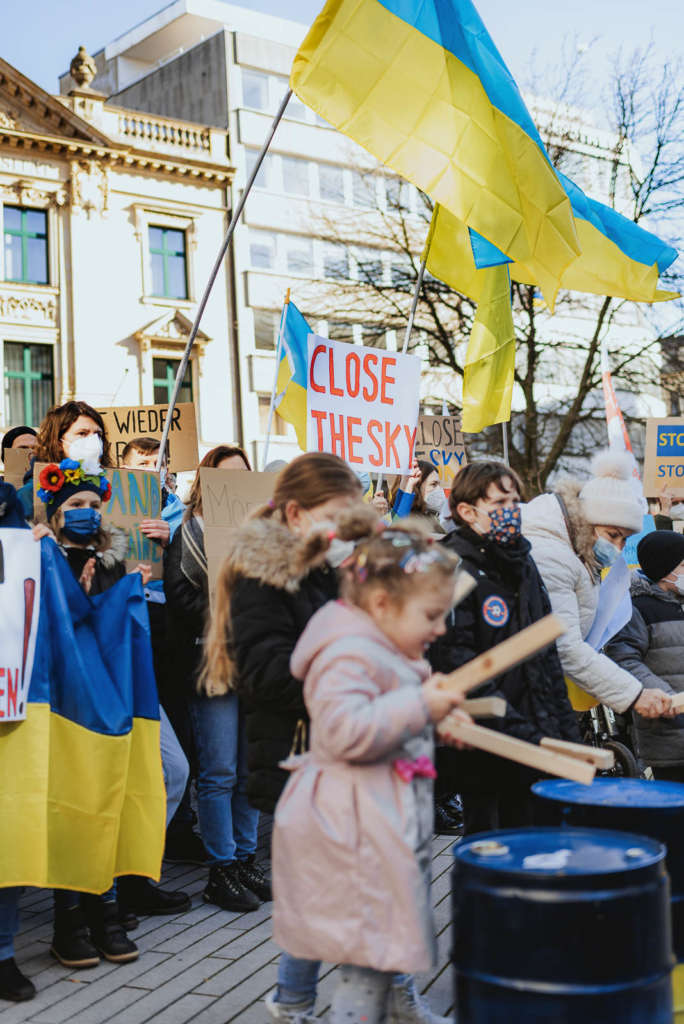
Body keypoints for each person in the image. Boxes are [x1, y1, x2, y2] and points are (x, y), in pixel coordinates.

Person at [271, 521, 469, 1024]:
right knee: (364, 970)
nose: (441, 629)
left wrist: (436, 722)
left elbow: (391, 727)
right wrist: (420, 704)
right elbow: (345, 733)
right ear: (382, 605)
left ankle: (393, 1006)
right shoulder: (347, 655)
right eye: (431, 615)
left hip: (378, 828)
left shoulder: (387, 652)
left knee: (380, 958)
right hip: (352, 833)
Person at [202, 452, 372, 1021]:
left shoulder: (323, 566)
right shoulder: (262, 573)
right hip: (300, 758)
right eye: (337, 514)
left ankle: (307, 1000)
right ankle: (308, 1002)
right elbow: (269, 676)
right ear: (297, 513)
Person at [35, 459, 189, 966]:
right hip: (65, 707)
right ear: (55, 514)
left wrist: (132, 596)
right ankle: (68, 920)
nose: (83, 513)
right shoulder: (40, 560)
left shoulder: (114, 566)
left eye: (91, 506)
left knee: (112, 801)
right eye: (73, 506)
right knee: (72, 806)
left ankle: (106, 908)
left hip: (113, 702)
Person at [429, 461, 580, 834]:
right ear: (467, 511)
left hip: (533, 739)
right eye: (500, 504)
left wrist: (563, 733)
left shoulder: (522, 562)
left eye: (516, 501)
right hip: (486, 747)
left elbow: (546, 655)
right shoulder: (452, 569)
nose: (512, 511)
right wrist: (523, 732)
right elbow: (457, 665)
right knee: (492, 850)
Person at [164, 444, 267, 912]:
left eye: (247, 478)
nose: (239, 487)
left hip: (252, 664)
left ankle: (246, 857)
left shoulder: (262, 537)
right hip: (211, 666)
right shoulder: (184, 535)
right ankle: (220, 866)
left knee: (248, 768)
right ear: (207, 482)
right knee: (219, 769)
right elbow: (180, 602)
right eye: (230, 478)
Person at [523, 450, 672, 719]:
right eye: (612, 535)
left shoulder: (581, 554)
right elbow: (565, 645)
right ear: (585, 522)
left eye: (624, 540)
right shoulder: (553, 556)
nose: (617, 547)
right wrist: (634, 694)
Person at [606, 531, 684, 779]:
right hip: (669, 732)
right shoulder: (638, 610)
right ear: (666, 569)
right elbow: (624, 660)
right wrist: (664, 697)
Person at [17, 401, 112, 519]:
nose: (94, 441)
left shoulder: (107, 487)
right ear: (58, 443)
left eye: (98, 434)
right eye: (82, 433)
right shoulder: (29, 495)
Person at [391, 460, 446, 532]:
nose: (439, 490)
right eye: (433, 484)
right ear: (416, 487)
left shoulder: (432, 518)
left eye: (439, 485)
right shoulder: (407, 522)